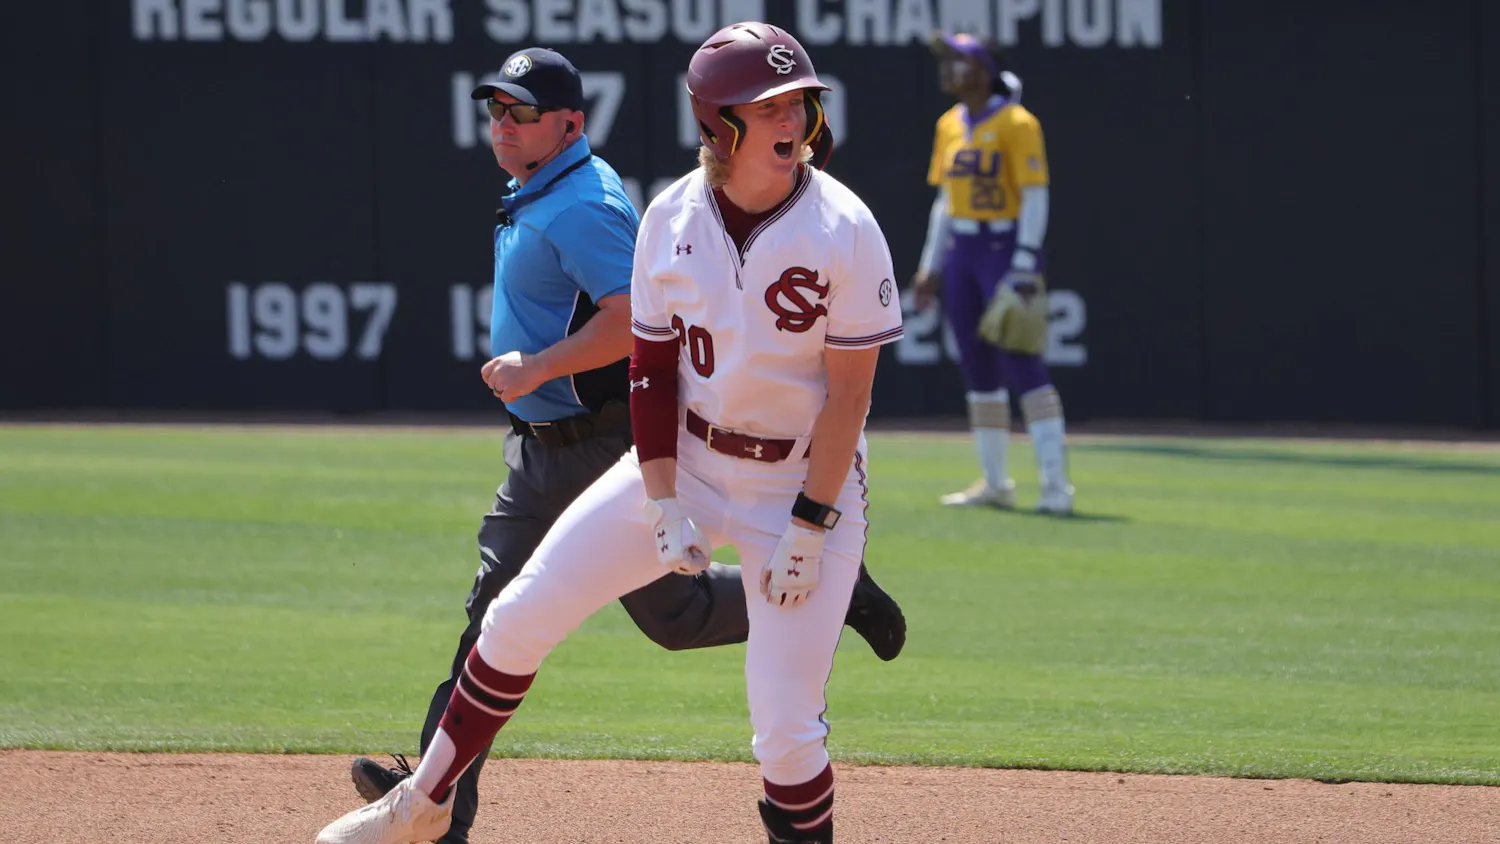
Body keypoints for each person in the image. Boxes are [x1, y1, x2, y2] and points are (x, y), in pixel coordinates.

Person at [334, 44, 907, 844]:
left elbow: (851, 394)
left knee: (784, 729)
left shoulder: (844, 225)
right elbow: (652, 373)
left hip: (801, 481)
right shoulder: (672, 216)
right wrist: (665, 495)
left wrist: (814, 522)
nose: (793, 116)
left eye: (798, 101)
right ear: (718, 121)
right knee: (514, 617)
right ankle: (418, 808)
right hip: (691, 462)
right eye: (770, 103)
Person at [911, 32, 1075, 515]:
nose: (946, 70)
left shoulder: (1018, 122)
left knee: (1022, 360)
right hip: (964, 248)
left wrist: (1025, 258)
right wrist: (930, 264)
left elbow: (1036, 194)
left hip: (1004, 247)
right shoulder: (949, 124)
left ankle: (1055, 485)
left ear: (981, 71)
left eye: (957, 62)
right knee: (977, 366)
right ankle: (996, 481)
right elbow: (944, 201)